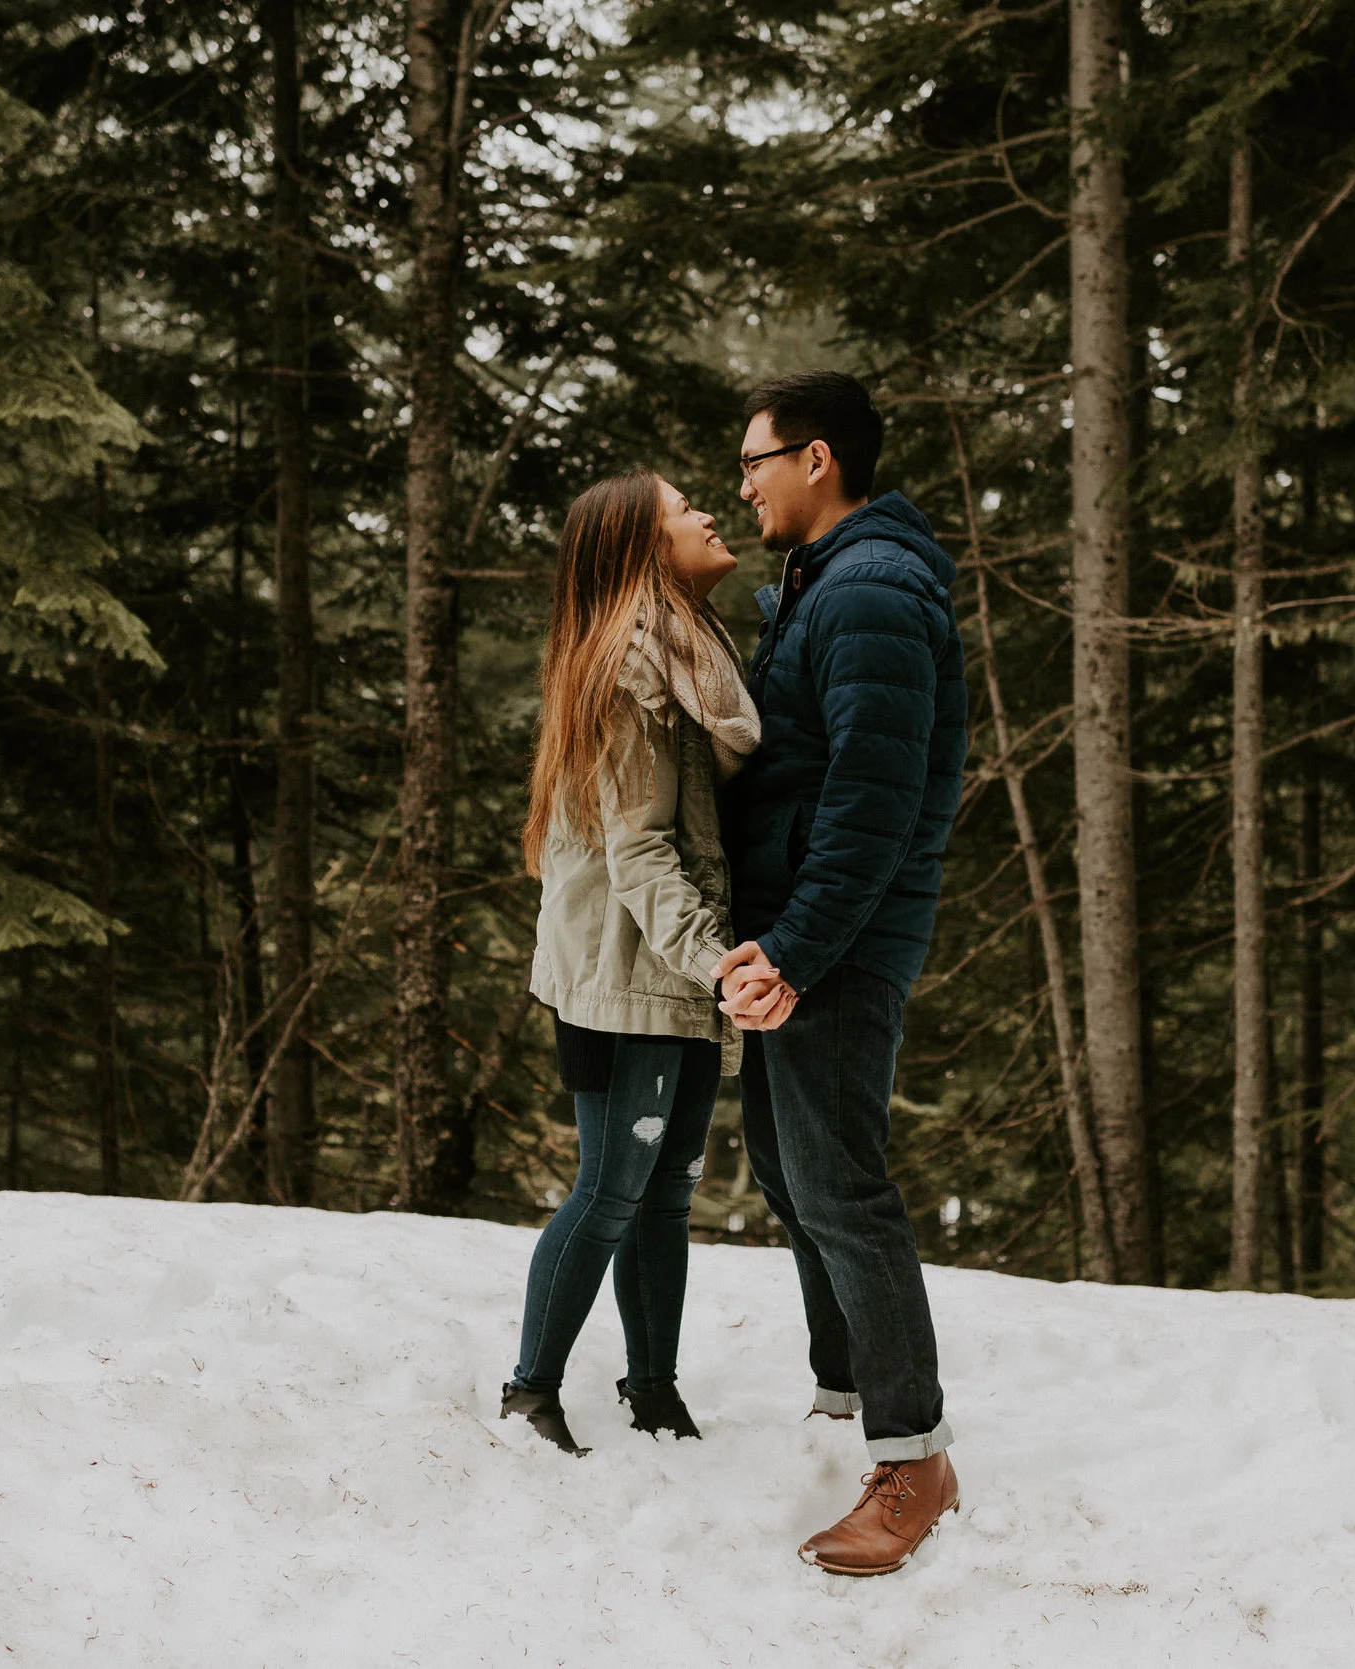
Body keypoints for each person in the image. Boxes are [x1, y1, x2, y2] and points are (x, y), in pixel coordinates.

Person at [713, 370, 969, 1576]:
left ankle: (911, 1457)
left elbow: (872, 802)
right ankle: (849, 1394)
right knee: (790, 1165)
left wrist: (802, 949)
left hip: (840, 941)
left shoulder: (867, 590)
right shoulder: (826, 583)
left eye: (754, 461)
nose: (743, 483)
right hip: (802, 934)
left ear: (816, 459)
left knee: (839, 1183)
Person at [501, 469, 761, 1455]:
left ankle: (653, 1392)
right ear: (644, 549)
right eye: (681, 508)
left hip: (667, 963)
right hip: (630, 969)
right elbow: (639, 849)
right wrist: (715, 961)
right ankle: (529, 1393)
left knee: (666, 1188)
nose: (706, 511)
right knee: (612, 1185)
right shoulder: (632, 672)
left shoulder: (689, 650)